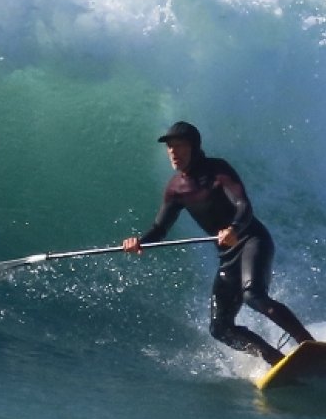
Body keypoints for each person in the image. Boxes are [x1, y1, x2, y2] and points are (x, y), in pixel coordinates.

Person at [123, 121, 314, 365]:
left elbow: (243, 206)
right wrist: (139, 242)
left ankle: (310, 345)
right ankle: (276, 360)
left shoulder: (217, 171)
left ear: (194, 147)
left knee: (253, 296)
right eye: (170, 147)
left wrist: (234, 228)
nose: (173, 152)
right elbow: (160, 229)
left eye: (179, 146)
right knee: (220, 328)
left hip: (252, 239)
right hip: (228, 255)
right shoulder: (175, 189)